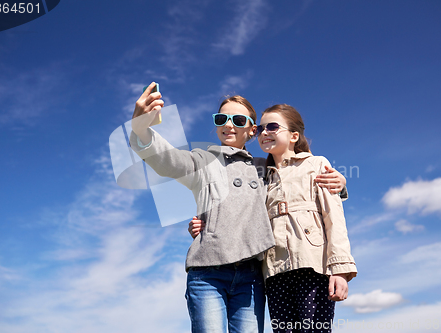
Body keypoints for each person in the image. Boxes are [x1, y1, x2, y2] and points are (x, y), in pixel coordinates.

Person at [130, 83, 346, 333]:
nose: (228, 124)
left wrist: (339, 182)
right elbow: (167, 160)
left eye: (238, 119)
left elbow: (296, 184)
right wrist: (141, 127)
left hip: (252, 278)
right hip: (208, 273)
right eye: (222, 118)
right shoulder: (202, 160)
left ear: (252, 130)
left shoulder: (266, 167)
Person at [191, 104, 357, 333]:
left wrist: (339, 270)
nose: (265, 132)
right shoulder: (260, 175)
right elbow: (237, 211)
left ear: (293, 136)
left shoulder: (316, 164)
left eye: (272, 126)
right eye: (261, 129)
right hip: (274, 274)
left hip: (313, 267)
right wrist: (206, 223)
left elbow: (334, 219)